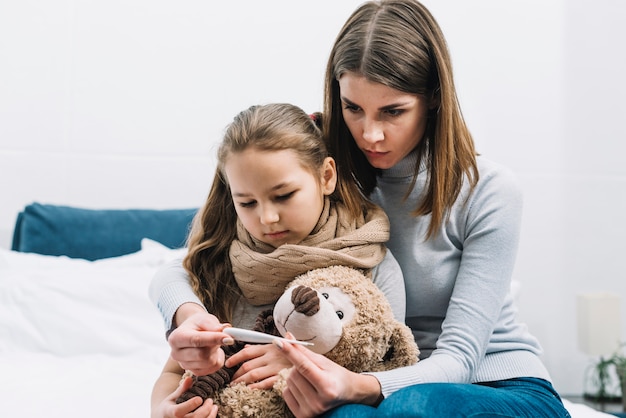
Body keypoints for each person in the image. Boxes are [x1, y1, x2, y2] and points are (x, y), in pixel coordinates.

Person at [151, 1, 572, 417]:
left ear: (433, 100)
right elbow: (189, 264)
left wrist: (331, 373)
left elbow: (459, 359)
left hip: (491, 384)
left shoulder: (489, 191)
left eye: (393, 111)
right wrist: (189, 316)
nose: (370, 133)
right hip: (362, 379)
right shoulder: (314, 169)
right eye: (353, 108)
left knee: (411, 405)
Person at [149, 103, 406, 418]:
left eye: (284, 196)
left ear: (326, 176)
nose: (267, 218)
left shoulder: (372, 266)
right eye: (247, 202)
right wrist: (164, 410)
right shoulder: (220, 266)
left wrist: (302, 361)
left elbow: (392, 371)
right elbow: (174, 374)